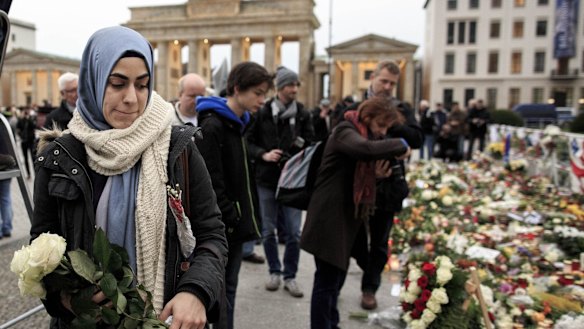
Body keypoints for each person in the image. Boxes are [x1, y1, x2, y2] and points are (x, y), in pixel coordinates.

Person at [31, 26, 227, 329]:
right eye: (118, 83)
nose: (132, 99)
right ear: (94, 81)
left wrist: (196, 290)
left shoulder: (179, 149)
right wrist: (68, 299)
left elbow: (211, 233)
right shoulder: (59, 157)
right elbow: (42, 247)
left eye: (142, 84)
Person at [301, 97, 410, 329]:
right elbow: (364, 150)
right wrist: (400, 143)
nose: (383, 132)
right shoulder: (345, 130)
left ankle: (332, 323)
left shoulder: (364, 134)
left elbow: (356, 174)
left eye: (387, 128)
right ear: (368, 117)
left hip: (346, 218)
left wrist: (377, 177)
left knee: (336, 278)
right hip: (329, 217)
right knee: (327, 281)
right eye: (381, 125)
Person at [195, 61, 272, 329]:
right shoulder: (214, 125)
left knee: (229, 289)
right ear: (237, 89)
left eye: (265, 94)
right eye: (258, 93)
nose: (262, 100)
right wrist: (234, 215)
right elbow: (211, 183)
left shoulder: (240, 124)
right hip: (224, 226)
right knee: (219, 291)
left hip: (235, 225)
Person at [342, 60, 423, 310]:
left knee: (379, 241)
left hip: (389, 187)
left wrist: (390, 121)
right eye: (383, 81)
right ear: (373, 78)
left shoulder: (402, 109)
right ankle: (362, 271)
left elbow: (417, 138)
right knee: (353, 240)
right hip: (358, 184)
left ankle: (370, 287)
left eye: (392, 83)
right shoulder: (355, 107)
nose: (387, 87)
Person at [245, 66, 314, 298]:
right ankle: (274, 271)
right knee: (268, 230)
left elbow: (312, 143)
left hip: (293, 181)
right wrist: (263, 154)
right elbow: (248, 142)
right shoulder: (263, 112)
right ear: (280, 88)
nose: (294, 89)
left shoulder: (303, 113)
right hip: (267, 178)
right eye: (290, 85)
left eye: (296, 85)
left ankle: (290, 276)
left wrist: (297, 152)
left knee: (294, 232)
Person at [16, 107, 36, 178]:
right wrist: (21, 136)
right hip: (24, 142)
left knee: (33, 158)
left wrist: (29, 119)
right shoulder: (20, 120)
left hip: (31, 141)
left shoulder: (31, 119)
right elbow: (18, 130)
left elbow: (34, 126)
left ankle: (35, 173)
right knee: (26, 158)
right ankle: (28, 174)